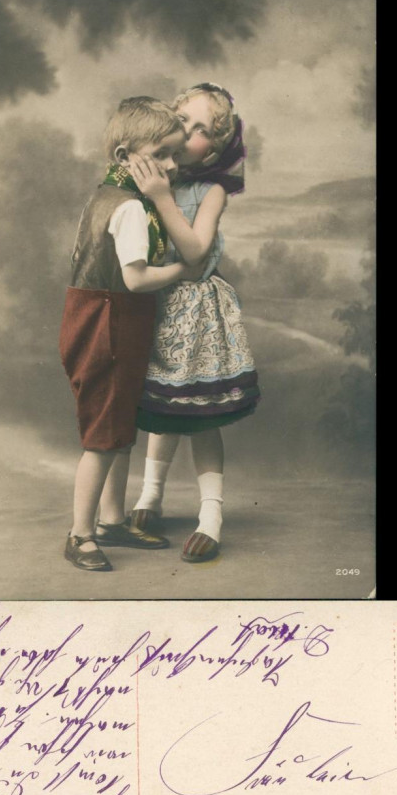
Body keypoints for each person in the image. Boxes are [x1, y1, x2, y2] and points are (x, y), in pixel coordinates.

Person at [59, 96, 196, 572]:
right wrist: (182, 271)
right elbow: (136, 279)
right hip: (109, 323)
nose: (171, 166)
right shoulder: (132, 208)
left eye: (175, 154)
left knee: (118, 428)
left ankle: (112, 521)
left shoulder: (104, 196)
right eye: (160, 154)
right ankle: (80, 534)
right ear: (124, 156)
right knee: (103, 437)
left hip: (100, 318)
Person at [128, 83, 260, 562]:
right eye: (183, 120)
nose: (188, 134)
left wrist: (162, 198)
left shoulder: (212, 190)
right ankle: (150, 495)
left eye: (202, 129)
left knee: (199, 415)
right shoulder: (153, 172)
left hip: (196, 315)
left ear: (216, 149)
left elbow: (196, 252)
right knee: (162, 410)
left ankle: (211, 515)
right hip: (156, 305)